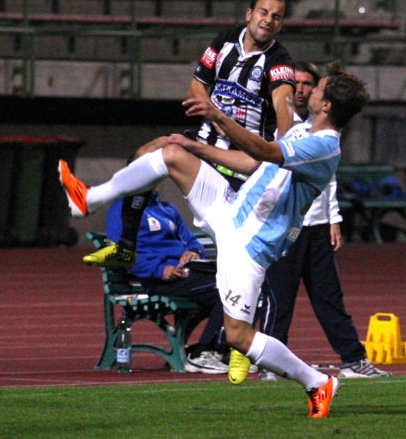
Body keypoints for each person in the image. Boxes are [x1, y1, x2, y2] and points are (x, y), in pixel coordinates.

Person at [59, 61, 370, 418]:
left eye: (318, 88)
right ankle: (89, 197)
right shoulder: (301, 131)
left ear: (327, 105)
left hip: (249, 246)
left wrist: (218, 116)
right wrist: (198, 149)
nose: (309, 91)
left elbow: (266, 152)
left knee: (238, 336)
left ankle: (317, 382)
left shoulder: (324, 146)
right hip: (232, 210)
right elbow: (255, 164)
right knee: (173, 154)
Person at [82, 0, 295, 269]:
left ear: (280, 25)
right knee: (144, 154)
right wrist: (212, 112)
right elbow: (196, 85)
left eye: (276, 17)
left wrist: (284, 145)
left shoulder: (279, 63)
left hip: (240, 161)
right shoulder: (226, 40)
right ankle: (126, 246)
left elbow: (284, 105)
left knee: (168, 152)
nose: (268, 20)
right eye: (263, 12)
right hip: (206, 142)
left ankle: (93, 201)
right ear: (249, 14)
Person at [258, 62, 391, 381]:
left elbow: (328, 181)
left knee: (328, 295)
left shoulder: (322, 134)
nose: (304, 90)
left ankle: (353, 359)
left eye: (310, 85)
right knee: (280, 298)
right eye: (299, 83)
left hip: (316, 227)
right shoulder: (291, 130)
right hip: (287, 227)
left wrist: (333, 218)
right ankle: (271, 365)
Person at [106, 190, 228, 374]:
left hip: (186, 274)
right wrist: (159, 270)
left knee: (242, 288)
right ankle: (200, 353)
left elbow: (191, 240)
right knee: (227, 290)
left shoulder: (167, 208)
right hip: (160, 282)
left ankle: (216, 350)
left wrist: (194, 251)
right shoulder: (122, 209)